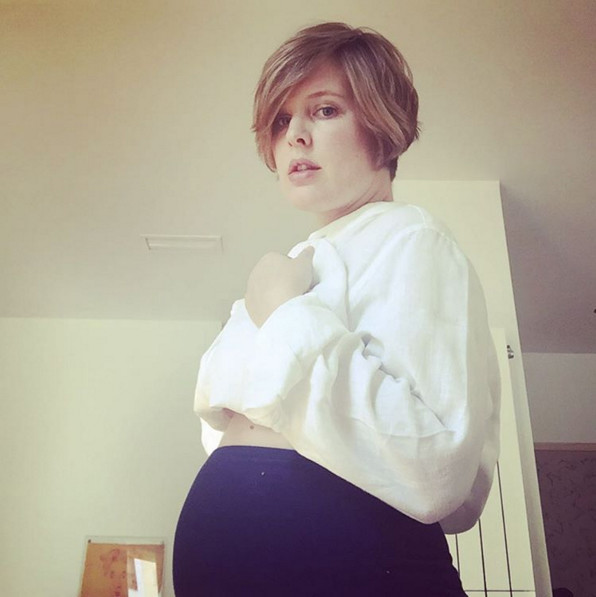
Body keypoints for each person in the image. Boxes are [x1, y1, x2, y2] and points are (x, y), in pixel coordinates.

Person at [173, 22, 500, 596]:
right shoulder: (299, 260)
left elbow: (436, 471)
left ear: (383, 126)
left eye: (324, 111)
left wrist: (283, 312)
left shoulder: (413, 239)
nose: (295, 136)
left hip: (350, 563)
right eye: (281, 121)